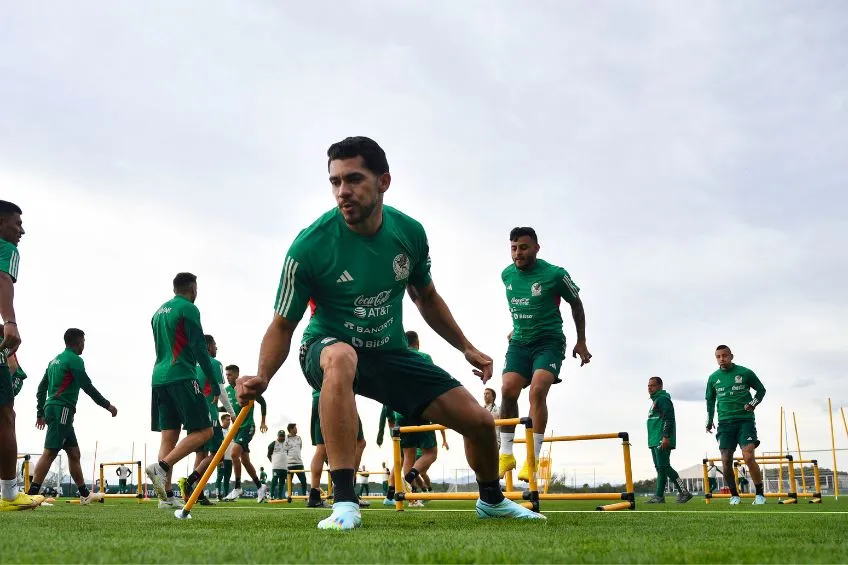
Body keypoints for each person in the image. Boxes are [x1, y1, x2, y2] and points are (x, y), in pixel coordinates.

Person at [235, 136, 543, 529]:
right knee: (342, 357)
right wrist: (262, 375)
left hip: (390, 353)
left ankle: (492, 500)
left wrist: (466, 347)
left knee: (480, 423)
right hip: (326, 347)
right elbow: (282, 324)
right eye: (335, 182)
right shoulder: (309, 247)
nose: (342, 192)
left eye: (354, 179)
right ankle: (344, 501)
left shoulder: (409, 234)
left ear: (384, 181)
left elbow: (425, 297)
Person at [498, 226, 592, 483]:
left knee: (537, 390)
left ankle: (532, 458)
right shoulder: (507, 275)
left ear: (536, 248)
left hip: (548, 342)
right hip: (519, 343)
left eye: (524, 247)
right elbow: (524, 307)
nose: (518, 253)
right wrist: (515, 329)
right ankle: (506, 453)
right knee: (507, 389)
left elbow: (576, 303)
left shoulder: (554, 275)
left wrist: (581, 341)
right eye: (514, 248)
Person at [147, 272, 218, 509]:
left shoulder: (158, 312)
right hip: (182, 375)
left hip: (159, 378)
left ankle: (165, 497)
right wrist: (213, 381)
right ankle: (162, 467)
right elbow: (200, 347)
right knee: (205, 431)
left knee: (169, 435)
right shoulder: (188, 308)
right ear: (193, 289)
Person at [28, 328, 116, 505]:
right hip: (63, 410)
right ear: (78, 342)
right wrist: (107, 405)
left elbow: (40, 388)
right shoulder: (74, 360)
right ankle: (31, 496)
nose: (84, 344)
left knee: (74, 453)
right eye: (83, 341)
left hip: (53, 408)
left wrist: (40, 412)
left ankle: (84, 494)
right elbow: (87, 385)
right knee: (50, 452)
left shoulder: (54, 361)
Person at [0, 200, 41, 510]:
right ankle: (10, 494)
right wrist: (9, 322)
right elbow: (2, 281)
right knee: (5, 413)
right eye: (17, 224)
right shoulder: (6, 248)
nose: (22, 230)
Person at [706, 344, 767, 505]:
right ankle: (734, 495)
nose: (722, 359)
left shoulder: (745, 372)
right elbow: (710, 400)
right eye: (718, 357)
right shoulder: (713, 378)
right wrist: (709, 419)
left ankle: (760, 494)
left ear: (731, 356)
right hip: (725, 423)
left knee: (748, 456)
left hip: (745, 420)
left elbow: (761, 390)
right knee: (726, 459)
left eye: (724, 355)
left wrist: (753, 403)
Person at [178, 334, 235, 506]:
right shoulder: (214, 363)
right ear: (209, 347)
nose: (217, 348)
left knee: (200, 454)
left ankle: (198, 493)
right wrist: (232, 413)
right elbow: (221, 391)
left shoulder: (191, 364)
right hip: (209, 414)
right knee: (217, 455)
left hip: (193, 414)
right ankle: (189, 481)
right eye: (215, 345)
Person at [221, 365, 268, 502]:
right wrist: (213, 408)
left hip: (247, 426)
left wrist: (263, 422)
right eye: (226, 374)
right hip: (236, 429)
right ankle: (260, 486)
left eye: (229, 374)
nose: (227, 377)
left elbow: (262, 402)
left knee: (234, 453)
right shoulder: (228, 390)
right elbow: (228, 407)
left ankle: (237, 487)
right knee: (245, 460)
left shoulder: (245, 386)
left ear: (236, 375)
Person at [645, 376, 692, 504]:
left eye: (652, 385)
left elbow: (669, 419)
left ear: (660, 386)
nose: (649, 388)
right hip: (654, 440)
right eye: (648, 386)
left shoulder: (663, 400)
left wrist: (665, 437)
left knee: (664, 467)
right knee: (661, 468)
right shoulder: (655, 401)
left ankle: (683, 492)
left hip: (662, 439)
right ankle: (660, 496)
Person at [284, 423, 308, 497]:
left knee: (304, 481)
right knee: (289, 482)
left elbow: (300, 448)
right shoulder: (285, 439)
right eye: (295, 428)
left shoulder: (299, 438)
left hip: (299, 463)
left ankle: (304, 496)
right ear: (291, 429)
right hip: (289, 464)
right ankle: (289, 497)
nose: (296, 429)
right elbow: (284, 451)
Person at [214, 413, 234, 498]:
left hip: (230, 458)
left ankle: (226, 495)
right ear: (222, 420)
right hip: (222, 458)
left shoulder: (231, 431)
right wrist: (219, 459)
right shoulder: (219, 431)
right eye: (227, 420)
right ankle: (218, 494)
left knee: (227, 478)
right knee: (220, 476)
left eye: (230, 420)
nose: (229, 421)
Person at [267, 429, 288, 500]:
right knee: (274, 480)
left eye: (283, 436)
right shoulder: (273, 443)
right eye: (280, 436)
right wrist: (273, 462)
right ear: (278, 436)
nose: (282, 438)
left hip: (284, 467)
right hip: (276, 466)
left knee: (282, 482)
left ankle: (280, 496)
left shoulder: (287, 443)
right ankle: (271, 495)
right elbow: (268, 455)